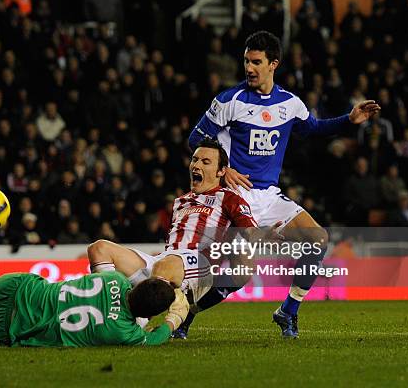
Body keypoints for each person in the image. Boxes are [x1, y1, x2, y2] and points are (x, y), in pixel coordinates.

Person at [188, 31, 381, 337]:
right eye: (246, 62)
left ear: (273, 64)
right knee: (240, 276)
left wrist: (349, 119)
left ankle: (287, 311)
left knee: (317, 239)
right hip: (235, 196)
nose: (249, 68)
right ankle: (186, 314)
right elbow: (196, 139)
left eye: (256, 62)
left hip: (270, 197)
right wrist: (224, 170)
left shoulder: (289, 104)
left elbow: (313, 129)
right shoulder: (230, 101)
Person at [87, 139, 278, 336]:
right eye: (195, 160)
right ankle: (105, 312)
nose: (196, 165)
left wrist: (263, 235)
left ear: (221, 172)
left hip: (201, 264)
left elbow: (248, 230)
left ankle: (134, 327)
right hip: (167, 262)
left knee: (166, 266)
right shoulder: (181, 201)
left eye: (205, 162)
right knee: (99, 248)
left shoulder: (229, 198)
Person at [0, 271, 189, 347]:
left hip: (8, 286)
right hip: (5, 331)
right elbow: (155, 339)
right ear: (149, 315)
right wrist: (174, 318)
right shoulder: (123, 331)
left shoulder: (114, 278)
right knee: (2, 317)